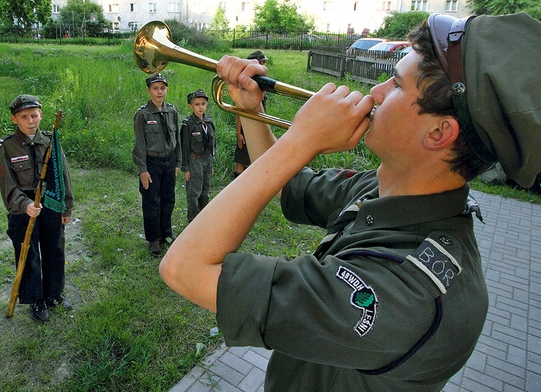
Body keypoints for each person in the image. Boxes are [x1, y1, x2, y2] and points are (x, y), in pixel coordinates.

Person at [160, 12, 541, 391]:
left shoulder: (411, 295)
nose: (374, 93)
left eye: (394, 84)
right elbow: (289, 184)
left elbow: (184, 268)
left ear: (439, 132)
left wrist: (301, 141)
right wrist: (252, 111)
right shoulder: (391, 190)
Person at [0, 94, 74, 322]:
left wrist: (66, 207)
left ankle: (53, 293)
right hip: (24, 208)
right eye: (24, 116)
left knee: (54, 248)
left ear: (41, 115)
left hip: (50, 202)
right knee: (28, 253)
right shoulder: (7, 147)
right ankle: (36, 299)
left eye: (34, 115)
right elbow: (7, 184)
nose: (30, 121)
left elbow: (63, 175)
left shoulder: (51, 141)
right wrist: (24, 204)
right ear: (14, 119)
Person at [132, 73, 182, 256]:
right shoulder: (143, 114)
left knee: (168, 198)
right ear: (149, 90)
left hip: (169, 161)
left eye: (162, 88)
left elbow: (177, 139)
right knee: (152, 200)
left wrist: (178, 162)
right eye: (155, 88)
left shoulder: (172, 111)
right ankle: (154, 239)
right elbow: (140, 143)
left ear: (166, 89)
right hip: (152, 161)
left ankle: (166, 234)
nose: (159, 92)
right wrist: (143, 170)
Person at [181, 89, 216, 222]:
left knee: (205, 191)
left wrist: (211, 163)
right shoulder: (188, 124)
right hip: (194, 160)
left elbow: (213, 144)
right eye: (197, 104)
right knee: (193, 193)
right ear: (191, 106)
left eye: (203, 104)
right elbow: (184, 147)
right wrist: (186, 168)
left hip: (207, 160)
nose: (200, 107)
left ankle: (203, 219)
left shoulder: (209, 122)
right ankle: (193, 220)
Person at [234, 50, 268, 178]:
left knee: (252, 159)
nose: (264, 65)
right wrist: (239, 133)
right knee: (241, 159)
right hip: (245, 126)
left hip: (258, 123)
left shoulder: (260, 81)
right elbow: (239, 112)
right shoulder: (247, 83)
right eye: (263, 62)